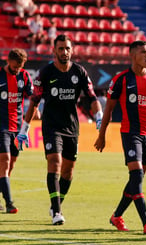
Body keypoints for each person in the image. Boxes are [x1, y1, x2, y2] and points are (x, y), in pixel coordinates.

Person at [18, 34, 103, 225]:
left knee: (68, 172)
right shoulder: (46, 73)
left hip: (72, 127)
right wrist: (25, 127)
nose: (64, 52)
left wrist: (99, 115)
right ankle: (57, 211)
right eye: (61, 48)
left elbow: (91, 96)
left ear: (71, 50)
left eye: (67, 48)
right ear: (54, 50)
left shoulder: (79, 72)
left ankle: (56, 203)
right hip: (51, 125)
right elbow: (34, 102)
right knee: (54, 162)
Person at [94, 40, 146, 233]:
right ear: (132, 55)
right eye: (143, 52)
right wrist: (102, 135)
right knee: (137, 176)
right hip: (130, 133)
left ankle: (117, 216)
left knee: (135, 182)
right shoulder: (122, 79)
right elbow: (109, 110)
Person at [0, 48, 33, 214]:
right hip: (0, 126)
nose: (18, 68)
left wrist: (34, 108)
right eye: (16, 65)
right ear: (8, 60)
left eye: (21, 66)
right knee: (4, 161)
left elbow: (32, 96)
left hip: (18, 127)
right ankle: (9, 203)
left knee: (10, 166)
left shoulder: (24, 76)